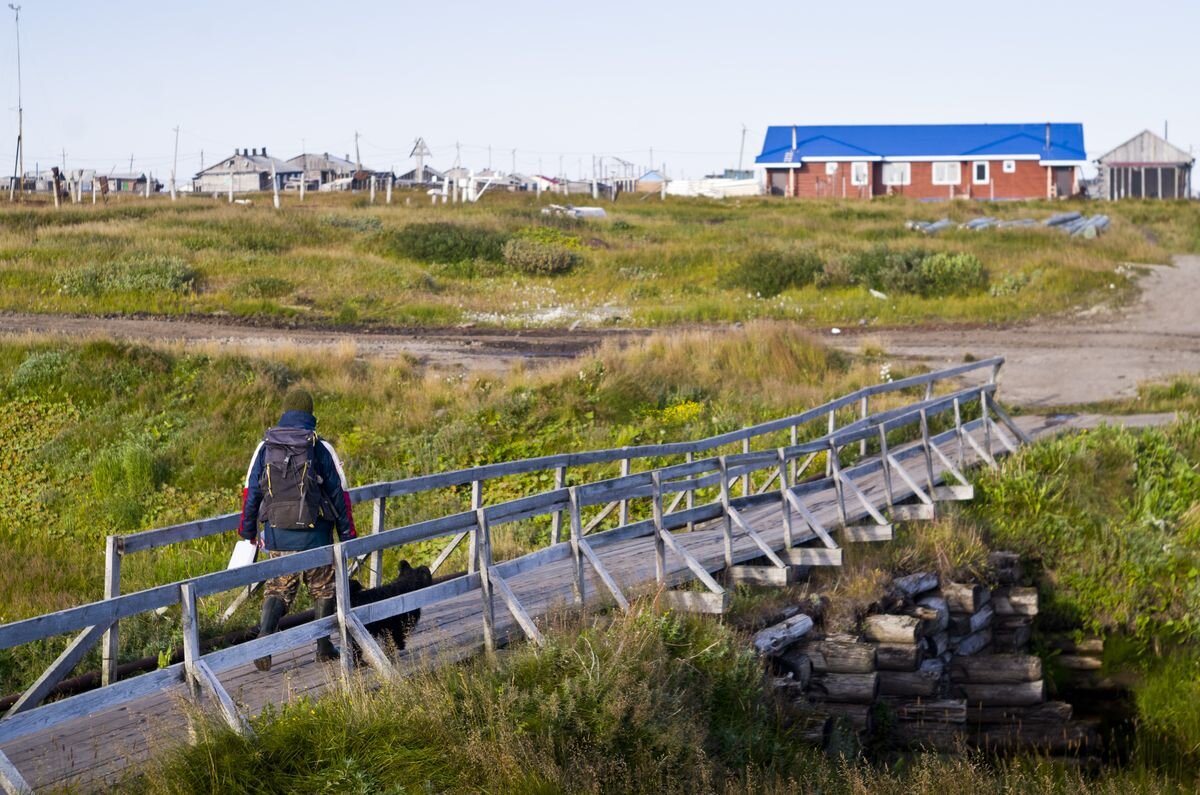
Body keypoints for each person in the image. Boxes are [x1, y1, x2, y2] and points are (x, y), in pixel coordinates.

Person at [237, 388, 356, 670]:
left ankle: (265, 641)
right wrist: (348, 536)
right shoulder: (319, 446)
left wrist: (247, 532)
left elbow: (251, 492)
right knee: (323, 589)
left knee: (277, 589)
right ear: (311, 414)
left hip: (277, 533)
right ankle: (323, 646)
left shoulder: (265, 446)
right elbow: (341, 494)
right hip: (316, 535)